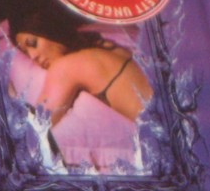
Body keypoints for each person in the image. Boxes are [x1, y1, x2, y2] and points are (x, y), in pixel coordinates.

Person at [9, 7, 154, 129]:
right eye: (26, 53)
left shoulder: (66, 66)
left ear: (49, 31)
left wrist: (10, 93)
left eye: (32, 43)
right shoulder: (107, 47)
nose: (33, 56)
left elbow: (37, 127)